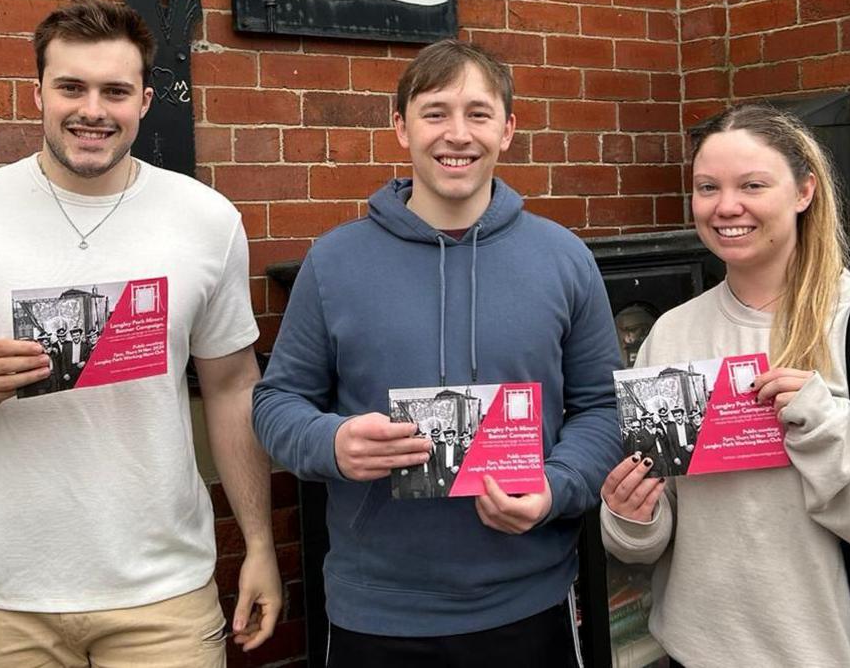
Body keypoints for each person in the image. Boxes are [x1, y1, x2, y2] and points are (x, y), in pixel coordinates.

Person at [0, 0, 281, 667]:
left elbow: (233, 386)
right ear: (38, 94)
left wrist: (259, 545)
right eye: (71, 88)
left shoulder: (206, 221)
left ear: (144, 101)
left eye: (115, 90)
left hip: (163, 595)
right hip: (0, 597)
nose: (93, 110)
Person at [252, 39, 622, 666]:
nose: (458, 134)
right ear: (400, 127)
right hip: (379, 609)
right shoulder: (335, 262)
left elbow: (601, 409)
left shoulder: (564, 260)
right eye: (434, 112)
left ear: (509, 128)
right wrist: (332, 443)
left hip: (529, 601)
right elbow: (276, 402)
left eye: (478, 113)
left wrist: (555, 487)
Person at [600, 102, 850, 667]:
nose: (727, 206)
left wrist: (827, 426)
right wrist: (632, 517)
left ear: (804, 192)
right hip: (698, 651)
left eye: (752, 184)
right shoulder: (670, 335)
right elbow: (663, 527)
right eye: (708, 187)